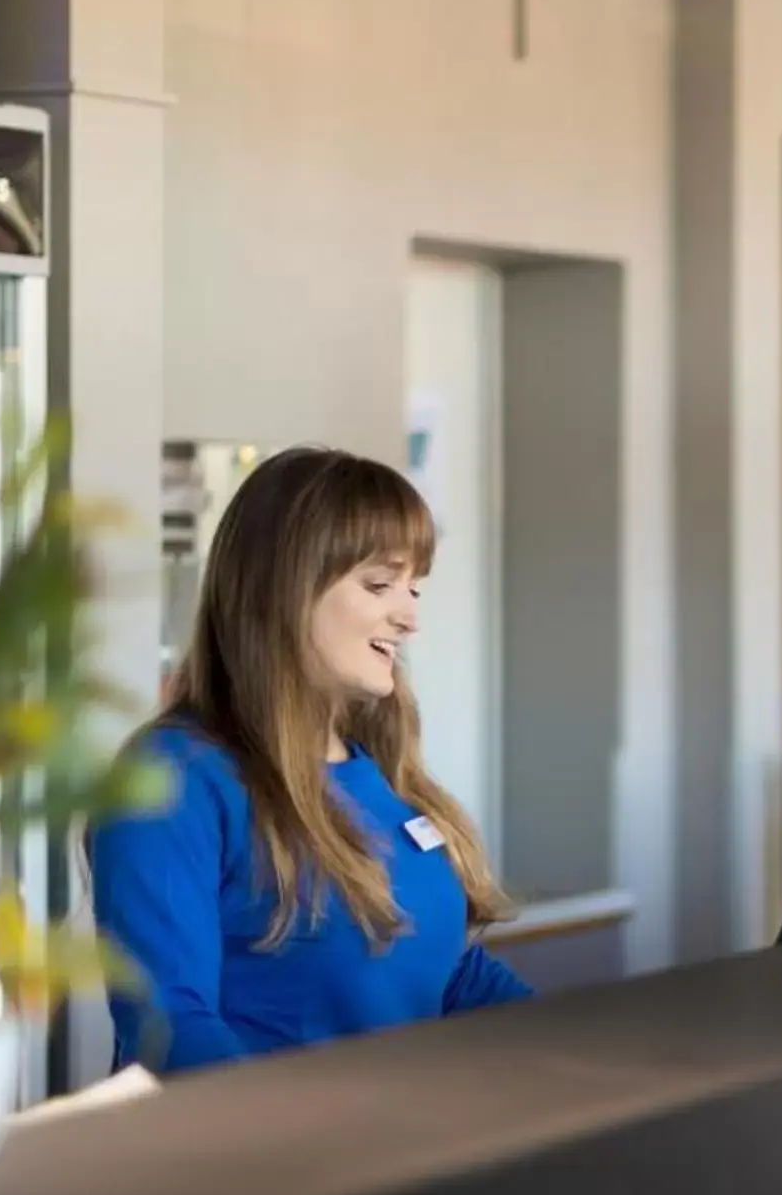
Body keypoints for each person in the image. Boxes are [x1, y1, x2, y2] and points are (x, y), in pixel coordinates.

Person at [89, 447, 528, 1072]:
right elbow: (169, 1030)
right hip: (272, 1162)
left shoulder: (378, 770)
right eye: (379, 585)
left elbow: (447, 975)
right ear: (284, 590)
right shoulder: (171, 778)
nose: (409, 617)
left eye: (414, 588)